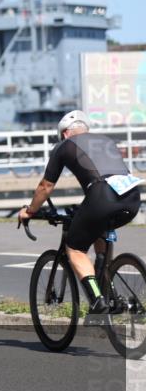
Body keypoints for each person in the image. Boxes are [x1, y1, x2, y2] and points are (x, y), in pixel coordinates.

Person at [18, 110, 142, 320]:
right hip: (131, 197)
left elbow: (45, 186)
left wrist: (30, 211)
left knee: (74, 248)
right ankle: (107, 289)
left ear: (65, 133)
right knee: (98, 230)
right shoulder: (104, 141)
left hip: (102, 197)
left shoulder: (64, 146)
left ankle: (97, 300)